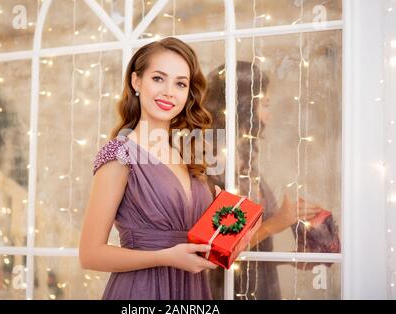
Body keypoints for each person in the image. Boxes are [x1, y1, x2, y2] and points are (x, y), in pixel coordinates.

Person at [79, 37, 221, 300]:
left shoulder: (187, 158)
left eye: (180, 83)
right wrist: (165, 257)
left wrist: (228, 233)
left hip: (191, 291)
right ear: (136, 82)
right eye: (158, 78)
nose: (169, 91)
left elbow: (198, 241)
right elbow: (89, 254)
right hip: (142, 292)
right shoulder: (119, 155)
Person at [203, 61, 326, 300]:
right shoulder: (216, 158)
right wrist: (277, 222)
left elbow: (248, 246)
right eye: (264, 104)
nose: (269, 115)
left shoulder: (244, 157)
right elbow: (216, 247)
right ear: (243, 105)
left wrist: (288, 259)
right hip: (229, 290)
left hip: (259, 285)